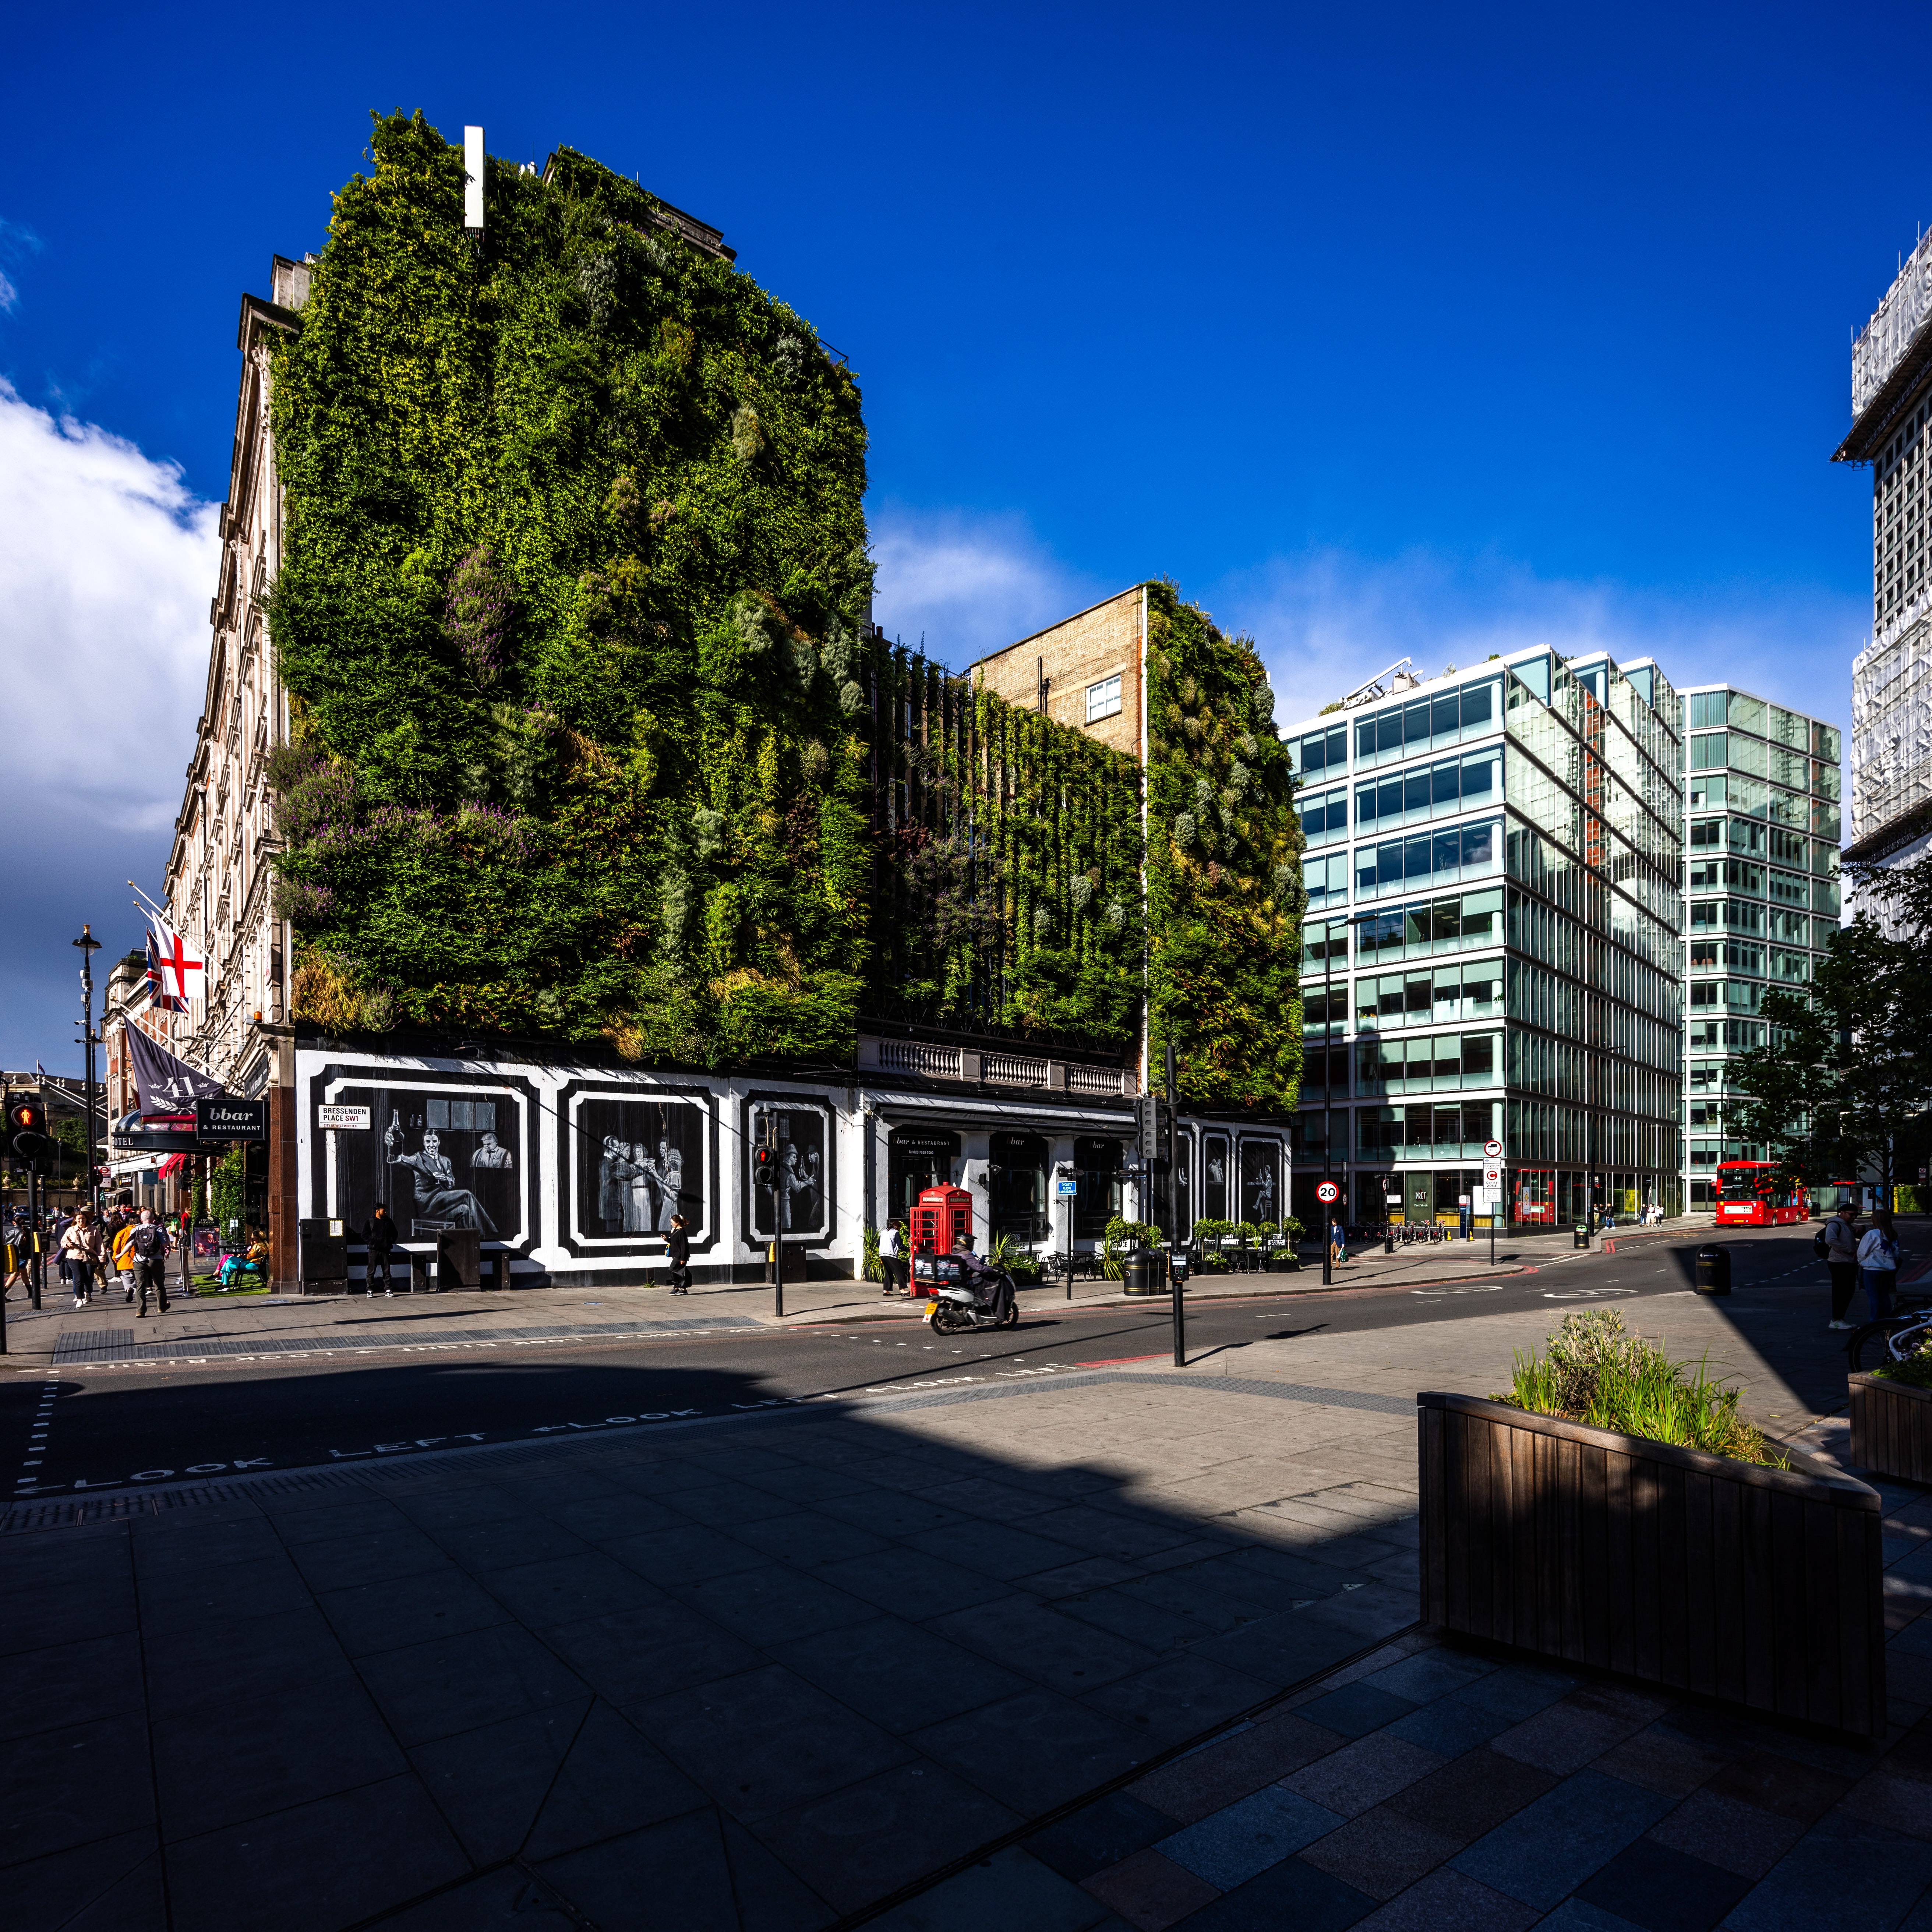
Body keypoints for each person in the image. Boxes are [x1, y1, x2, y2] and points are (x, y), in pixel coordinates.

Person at [1858, 1208, 1903, 1323]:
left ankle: (1875, 1322)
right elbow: (1896, 1253)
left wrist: (1860, 1261)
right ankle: (1887, 1321)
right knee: (1884, 1295)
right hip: (1888, 1269)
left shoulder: (1873, 1234)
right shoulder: (1893, 1234)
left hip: (1872, 1269)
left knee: (1874, 1297)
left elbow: (1863, 1251)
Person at [1823, 1202, 1862, 1330]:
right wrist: (1849, 1250)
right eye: (1852, 1215)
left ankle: (1840, 1318)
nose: (1854, 1217)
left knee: (1848, 1291)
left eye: (1856, 1215)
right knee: (1841, 1292)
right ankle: (1836, 1320)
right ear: (1842, 1213)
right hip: (1839, 1262)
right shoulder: (1834, 1224)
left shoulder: (1846, 1224)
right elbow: (1830, 1240)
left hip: (1847, 1262)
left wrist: (1862, 1228)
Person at [131, 1208, 171, 1316]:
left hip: (139, 1260)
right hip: (156, 1259)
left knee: (140, 1286)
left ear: (141, 1219)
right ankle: (162, 1307)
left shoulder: (135, 1229)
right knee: (159, 1284)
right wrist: (167, 1237)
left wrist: (120, 1255)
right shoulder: (158, 1229)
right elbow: (165, 1244)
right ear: (153, 1219)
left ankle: (140, 1310)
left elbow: (130, 1244)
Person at [59, 1209, 103, 1308]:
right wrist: (68, 1244)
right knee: (78, 1278)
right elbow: (63, 1243)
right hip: (74, 1256)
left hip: (90, 1257)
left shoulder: (93, 1229)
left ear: (86, 1219)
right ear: (75, 1220)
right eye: (79, 1219)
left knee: (89, 1278)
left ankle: (87, 1294)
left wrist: (102, 1258)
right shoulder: (71, 1230)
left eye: (83, 1218)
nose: (81, 1220)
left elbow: (100, 1245)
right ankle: (79, 1299)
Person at [365, 1202, 400, 1297]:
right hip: (374, 1250)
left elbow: (395, 1233)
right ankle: (370, 1290)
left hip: (386, 1250)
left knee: (387, 1270)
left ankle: (388, 1289)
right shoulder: (370, 1222)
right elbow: (364, 1235)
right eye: (383, 1210)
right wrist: (373, 1242)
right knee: (371, 1271)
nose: (385, 1212)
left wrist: (388, 1242)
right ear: (377, 1211)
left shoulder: (388, 1221)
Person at [110, 1212, 141, 1304]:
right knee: (140, 1276)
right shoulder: (144, 1230)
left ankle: (129, 1289)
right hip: (141, 1258)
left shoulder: (123, 1232)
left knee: (127, 1276)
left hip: (126, 1258)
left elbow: (116, 1246)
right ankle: (140, 1292)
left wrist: (116, 1257)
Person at [665, 1212, 691, 1295]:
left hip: (680, 1256)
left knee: (672, 1269)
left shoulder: (682, 1232)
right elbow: (673, 1242)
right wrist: (666, 1239)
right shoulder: (675, 1231)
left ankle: (676, 1287)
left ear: (678, 1222)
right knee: (681, 1271)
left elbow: (684, 1246)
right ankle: (684, 1290)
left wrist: (683, 1258)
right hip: (675, 1254)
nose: (672, 1224)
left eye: (673, 1222)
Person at [879, 1219, 904, 1297]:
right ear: (898, 1227)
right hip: (891, 1254)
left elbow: (878, 1244)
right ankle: (903, 1290)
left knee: (888, 1272)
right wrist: (909, 1249)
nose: (899, 1230)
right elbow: (900, 1245)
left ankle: (886, 1290)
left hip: (882, 1254)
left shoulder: (883, 1232)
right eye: (900, 1228)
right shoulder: (896, 1232)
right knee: (899, 1271)